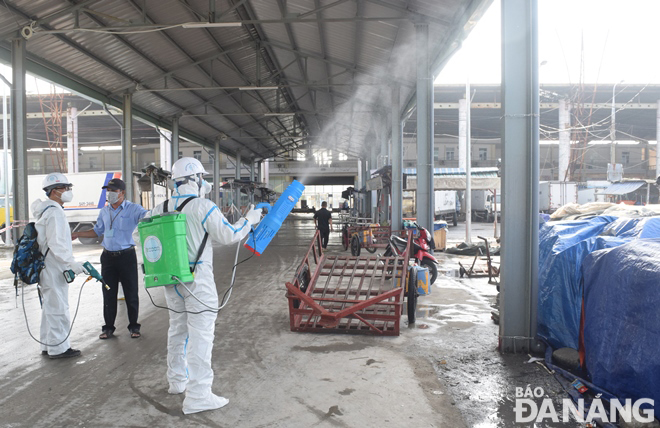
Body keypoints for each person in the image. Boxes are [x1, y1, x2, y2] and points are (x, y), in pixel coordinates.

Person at [146, 157, 262, 415]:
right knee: (201, 335)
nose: (204, 182)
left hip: (172, 280)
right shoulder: (202, 206)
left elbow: (139, 237)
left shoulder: (157, 208)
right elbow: (229, 235)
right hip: (197, 282)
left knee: (177, 330)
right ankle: (198, 395)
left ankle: (177, 381)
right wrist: (249, 220)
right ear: (195, 179)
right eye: (202, 178)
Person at [72, 178, 148, 339]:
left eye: (113, 191)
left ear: (122, 193)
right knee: (108, 292)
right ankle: (108, 328)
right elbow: (97, 231)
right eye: (108, 191)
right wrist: (78, 234)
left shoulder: (134, 209)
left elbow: (148, 218)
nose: (110, 194)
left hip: (127, 256)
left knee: (131, 292)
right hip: (108, 258)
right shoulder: (104, 211)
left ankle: (134, 327)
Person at [31, 172, 88, 359]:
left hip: (47, 266)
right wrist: (73, 264)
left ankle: (48, 345)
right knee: (58, 308)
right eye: (65, 188)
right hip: (53, 267)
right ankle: (59, 349)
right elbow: (57, 244)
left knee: (50, 307)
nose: (68, 191)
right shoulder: (55, 212)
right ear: (54, 191)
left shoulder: (46, 210)